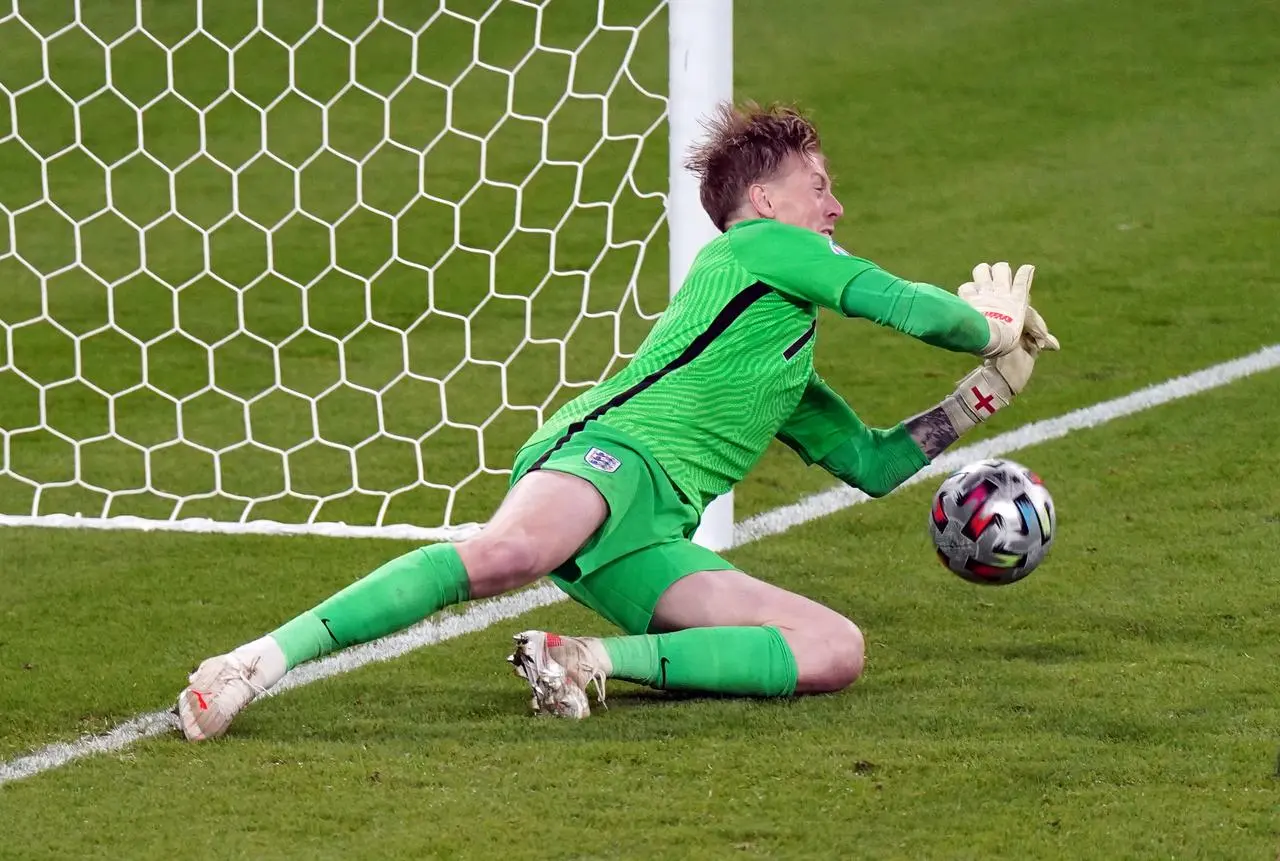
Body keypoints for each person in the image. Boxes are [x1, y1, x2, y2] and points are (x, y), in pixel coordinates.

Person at [176, 101, 1058, 738]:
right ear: (765, 202)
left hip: (648, 533)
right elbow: (910, 308)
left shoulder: (786, 359)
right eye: (818, 188)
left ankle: (589, 661)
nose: (835, 208)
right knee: (507, 554)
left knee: (834, 649)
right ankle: (253, 661)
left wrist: (989, 390)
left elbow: (867, 463)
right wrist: (989, 323)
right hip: (607, 451)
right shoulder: (755, 248)